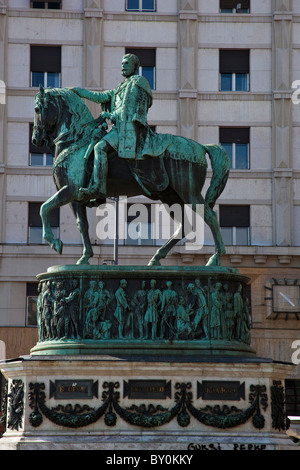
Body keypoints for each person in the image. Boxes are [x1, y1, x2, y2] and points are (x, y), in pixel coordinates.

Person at [71, 54, 154, 199]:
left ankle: (98, 187)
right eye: (122, 63)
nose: (123, 66)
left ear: (135, 66)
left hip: (128, 129)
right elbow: (100, 97)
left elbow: (129, 108)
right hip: (119, 128)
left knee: (99, 147)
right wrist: (79, 92)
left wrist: (111, 115)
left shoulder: (137, 83)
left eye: (127, 63)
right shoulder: (121, 87)